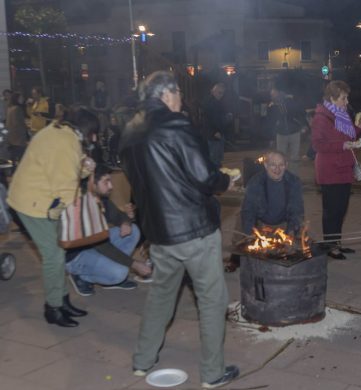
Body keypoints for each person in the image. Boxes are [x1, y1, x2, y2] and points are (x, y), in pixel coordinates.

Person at [119, 71, 239, 388]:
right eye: (179, 95)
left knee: (161, 296)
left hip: (159, 233)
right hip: (194, 230)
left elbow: (145, 183)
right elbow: (204, 177)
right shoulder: (175, 123)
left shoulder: (129, 131)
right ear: (168, 94)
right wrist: (227, 181)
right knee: (212, 300)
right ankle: (213, 373)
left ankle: (142, 361)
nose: (181, 101)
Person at [7, 107, 98, 327]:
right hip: (33, 204)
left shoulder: (59, 133)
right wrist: (76, 212)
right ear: (86, 130)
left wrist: (84, 169)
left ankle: (62, 300)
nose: (94, 138)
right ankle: (53, 308)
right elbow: (65, 185)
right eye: (94, 133)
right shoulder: (65, 142)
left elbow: (66, 170)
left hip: (35, 199)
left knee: (57, 252)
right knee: (54, 255)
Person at [66, 164, 151, 296]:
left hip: (94, 246)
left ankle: (107, 268)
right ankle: (81, 276)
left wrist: (125, 222)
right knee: (120, 273)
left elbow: (117, 215)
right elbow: (103, 246)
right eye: (106, 181)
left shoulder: (99, 197)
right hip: (77, 257)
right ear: (92, 183)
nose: (111, 186)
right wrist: (133, 264)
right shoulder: (82, 205)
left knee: (133, 230)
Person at [311, 80, 361, 260]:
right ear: (332, 98)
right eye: (343, 98)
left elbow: (347, 136)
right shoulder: (321, 117)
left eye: (347, 97)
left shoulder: (341, 114)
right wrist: (342, 145)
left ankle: (336, 243)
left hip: (343, 167)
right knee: (332, 211)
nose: (346, 101)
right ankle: (330, 246)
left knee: (341, 209)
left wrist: (358, 128)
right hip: (330, 169)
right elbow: (318, 145)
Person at [267, 86, 307, 169]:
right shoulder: (272, 106)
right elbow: (271, 123)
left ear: (279, 93)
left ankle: (294, 177)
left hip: (294, 131)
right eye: (272, 95)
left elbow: (300, 113)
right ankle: (282, 178)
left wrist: (303, 125)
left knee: (295, 158)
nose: (273, 96)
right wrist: (271, 138)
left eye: (274, 94)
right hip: (281, 134)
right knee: (280, 157)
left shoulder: (290, 101)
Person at [201, 82, 230, 167]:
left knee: (218, 158)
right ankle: (215, 178)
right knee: (214, 159)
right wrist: (214, 132)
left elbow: (219, 118)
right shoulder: (209, 103)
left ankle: (218, 177)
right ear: (213, 91)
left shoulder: (217, 102)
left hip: (218, 133)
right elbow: (207, 120)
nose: (221, 95)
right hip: (213, 135)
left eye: (222, 93)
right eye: (219, 92)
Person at [5, 92, 29, 163]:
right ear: (16, 99)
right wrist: (25, 127)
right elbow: (17, 123)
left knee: (14, 155)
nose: (23, 99)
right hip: (18, 136)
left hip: (11, 135)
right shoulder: (17, 108)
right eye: (21, 98)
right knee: (22, 156)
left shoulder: (10, 108)